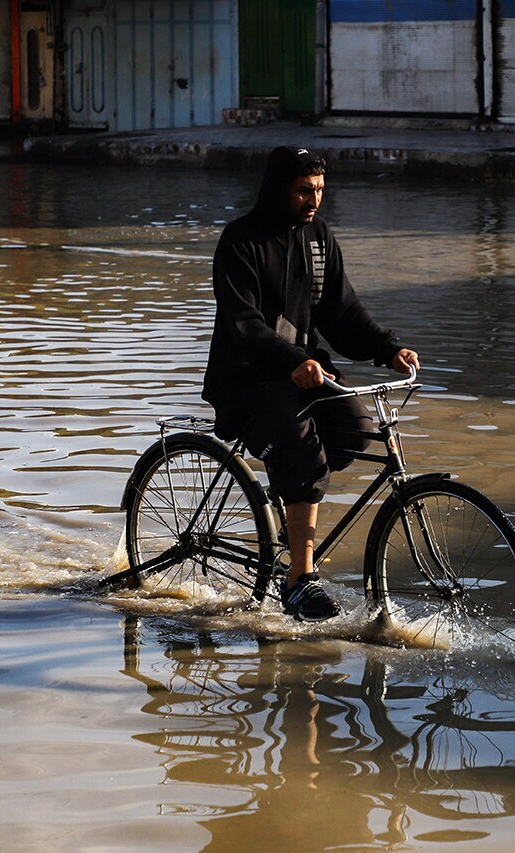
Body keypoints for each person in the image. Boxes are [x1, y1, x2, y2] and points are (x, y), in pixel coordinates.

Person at [203, 146, 420, 622]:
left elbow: (342, 312)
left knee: (358, 430)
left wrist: (388, 349)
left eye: (320, 190)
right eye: (304, 190)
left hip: (305, 369)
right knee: (301, 448)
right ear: (279, 189)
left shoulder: (318, 238)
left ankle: (291, 509)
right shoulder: (240, 240)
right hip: (247, 377)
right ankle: (299, 578)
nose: (313, 200)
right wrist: (292, 360)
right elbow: (244, 323)